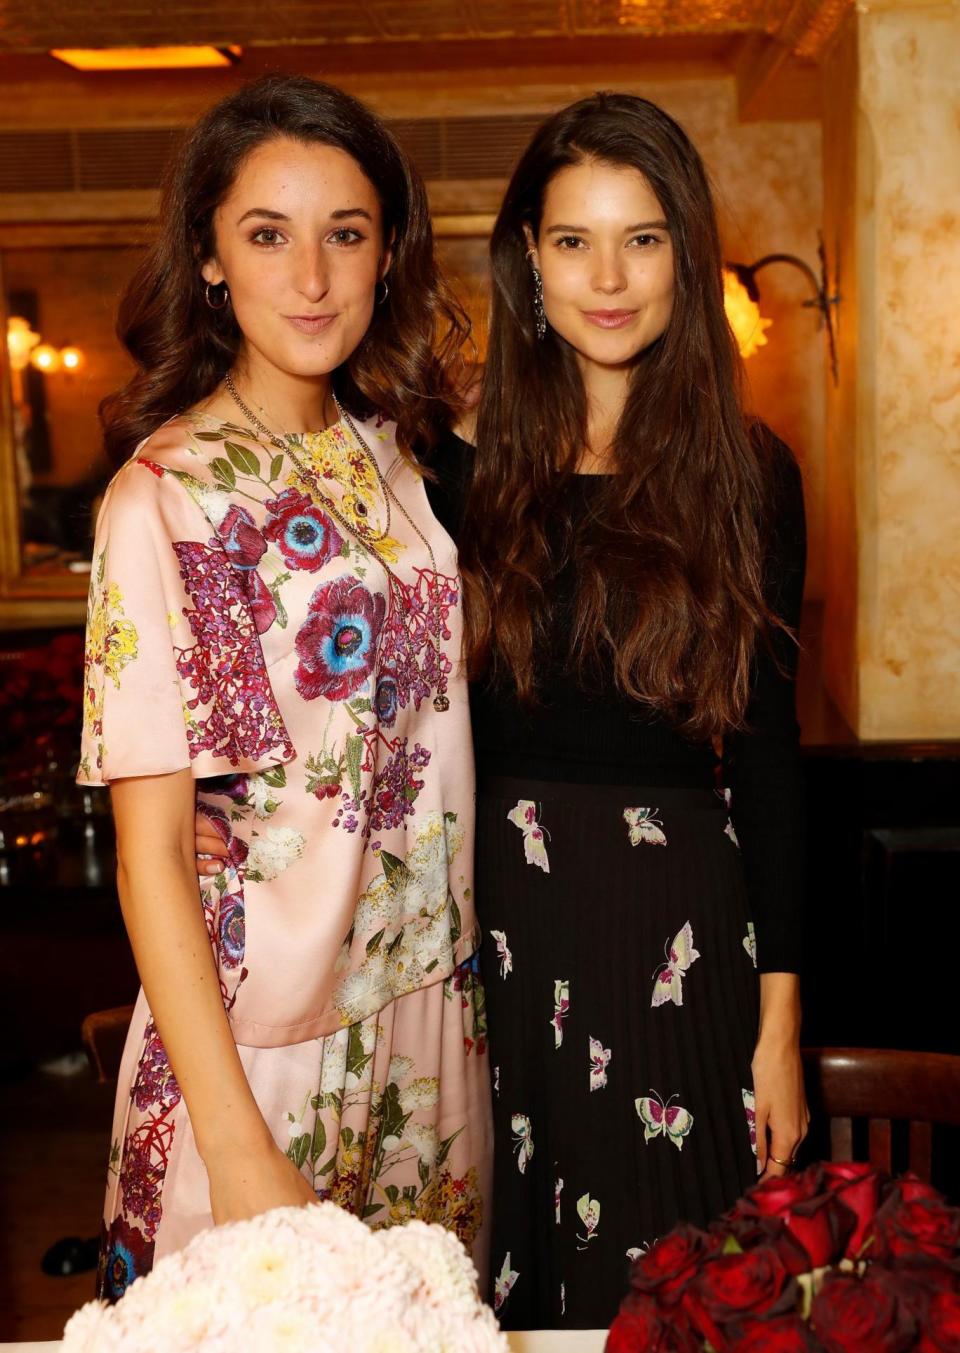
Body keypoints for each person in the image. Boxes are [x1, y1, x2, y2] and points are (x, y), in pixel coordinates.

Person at [79, 74, 491, 1304]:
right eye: (268, 234)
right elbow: (152, 853)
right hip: (260, 1048)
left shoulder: (394, 454)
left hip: (427, 1024)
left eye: (345, 234)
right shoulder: (165, 497)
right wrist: (237, 1140)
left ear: (386, 255)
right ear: (208, 256)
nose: (311, 277)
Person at [430, 93, 810, 1329]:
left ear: (686, 261)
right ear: (528, 261)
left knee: (687, 1291)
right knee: (515, 1280)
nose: (609, 276)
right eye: (575, 240)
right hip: (500, 927)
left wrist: (781, 1025)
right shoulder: (447, 469)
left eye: (643, 239)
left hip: (680, 931)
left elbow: (767, 753)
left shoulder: (747, 472)